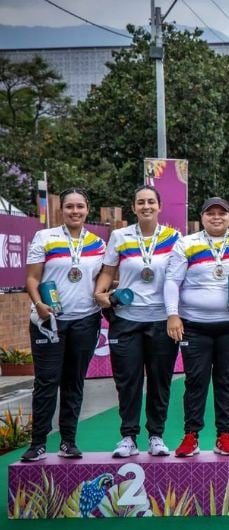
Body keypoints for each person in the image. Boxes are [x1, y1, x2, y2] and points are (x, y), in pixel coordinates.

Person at [165, 197, 229, 457]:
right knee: (195, 380)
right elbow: (171, 281)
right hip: (195, 325)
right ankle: (191, 436)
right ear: (202, 217)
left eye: (221, 213)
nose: (216, 217)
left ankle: (224, 435)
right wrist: (172, 315)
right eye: (210, 213)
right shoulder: (186, 244)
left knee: (227, 380)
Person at [94, 185, 181, 457]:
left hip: (160, 321)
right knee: (128, 381)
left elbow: (178, 278)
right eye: (141, 202)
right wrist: (100, 293)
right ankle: (128, 437)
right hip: (126, 320)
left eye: (151, 202)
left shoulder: (174, 237)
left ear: (159, 206)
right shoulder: (119, 236)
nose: (146, 206)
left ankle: (156, 435)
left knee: (160, 380)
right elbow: (108, 273)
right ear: (133, 207)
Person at [21, 188, 106, 461]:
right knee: (46, 382)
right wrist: (39, 304)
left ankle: (68, 441)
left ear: (87, 209)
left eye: (80, 206)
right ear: (62, 210)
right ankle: (38, 443)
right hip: (50, 321)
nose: (75, 211)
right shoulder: (45, 238)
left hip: (86, 320)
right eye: (70, 206)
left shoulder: (97, 244)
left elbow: (103, 281)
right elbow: (32, 279)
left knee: (74, 382)